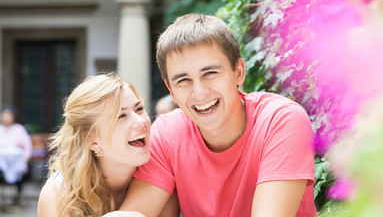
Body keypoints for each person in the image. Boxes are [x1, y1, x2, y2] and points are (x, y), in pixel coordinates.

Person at [113, 13, 317, 217]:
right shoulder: (167, 133)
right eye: (183, 80)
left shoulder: (280, 120)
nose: (200, 92)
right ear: (171, 90)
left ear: (238, 71)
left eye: (210, 73)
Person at [37, 73, 152, 217]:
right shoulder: (58, 194)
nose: (141, 121)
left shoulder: (161, 171)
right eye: (121, 116)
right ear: (92, 141)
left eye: (139, 109)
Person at [0, 105, 32, 206]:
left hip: (17, 160)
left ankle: (18, 196)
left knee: (20, 170)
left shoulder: (19, 129)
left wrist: (25, 159)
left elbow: (27, 145)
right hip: (2, 161)